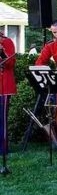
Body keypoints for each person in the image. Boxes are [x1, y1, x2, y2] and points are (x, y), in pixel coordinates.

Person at [0, 30, 16, 158]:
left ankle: (3, 147)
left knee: (2, 118)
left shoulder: (6, 41)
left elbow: (10, 63)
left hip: (3, 86)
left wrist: (1, 51)